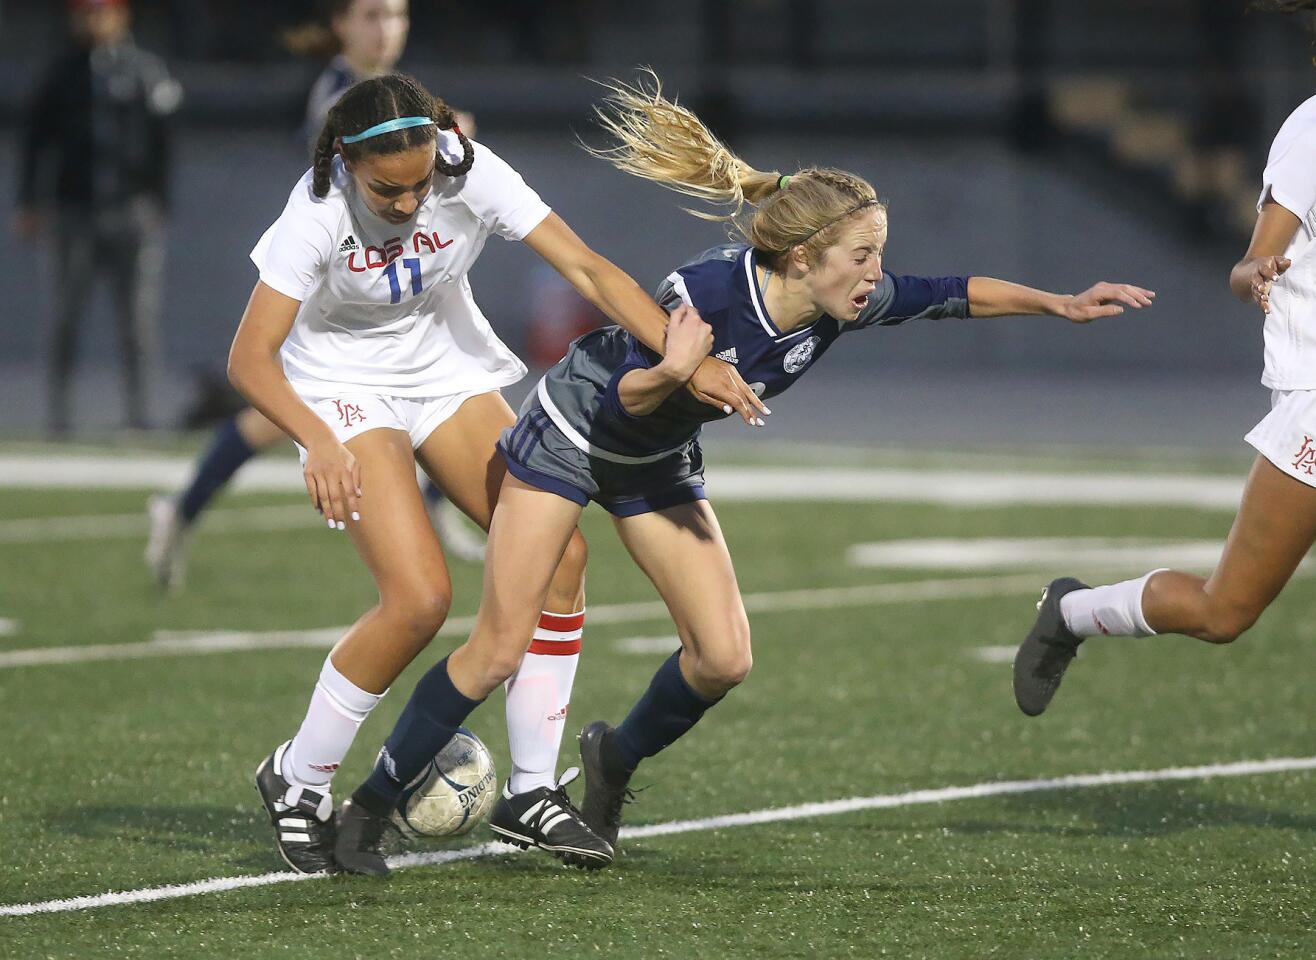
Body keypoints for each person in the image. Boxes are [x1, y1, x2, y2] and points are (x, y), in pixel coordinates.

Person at [332, 72, 1153, 873]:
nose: (877, 273)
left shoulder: (839, 303)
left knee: (722, 659)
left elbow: (949, 293)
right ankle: (370, 808)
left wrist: (1060, 303)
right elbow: (624, 398)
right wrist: (683, 372)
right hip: (576, 434)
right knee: (497, 648)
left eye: (879, 255)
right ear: (802, 258)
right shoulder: (710, 293)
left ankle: (611, 760)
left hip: (655, 460)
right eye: (864, 256)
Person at [229, 73, 765, 875]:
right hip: (339, 389)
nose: (409, 204)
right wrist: (320, 441)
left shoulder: (467, 167)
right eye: (388, 190)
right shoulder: (316, 211)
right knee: (419, 599)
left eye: (421, 186)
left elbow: (584, 268)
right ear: (346, 161)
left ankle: (531, 790)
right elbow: (249, 359)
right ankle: (298, 779)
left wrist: (682, 360)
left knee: (562, 557)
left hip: (443, 372)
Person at [1012, 0, 1316, 717]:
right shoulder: (1313, 129)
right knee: (1223, 612)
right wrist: (1256, 274)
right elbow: (1253, 260)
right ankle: (1074, 612)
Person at [145, 0, 481, 590]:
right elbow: (343, 187)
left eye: (396, 15)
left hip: (378, 283)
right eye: (372, 15)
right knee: (284, 413)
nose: (387, 28)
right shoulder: (339, 96)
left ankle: (182, 508)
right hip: (341, 294)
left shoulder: (393, 92)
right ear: (341, 25)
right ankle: (181, 507)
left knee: (407, 388)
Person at [15, 0, 181, 434]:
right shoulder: (62, 72)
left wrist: (159, 202)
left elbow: (163, 142)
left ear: (120, 15)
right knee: (65, 316)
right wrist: (29, 202)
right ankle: (58, 418)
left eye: (100, 12)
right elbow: (35, 141)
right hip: (73, 211)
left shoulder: (145, 70)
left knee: (137, 322)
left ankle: (140, 416)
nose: (92, 21)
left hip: (130, 210)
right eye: (84, 13)